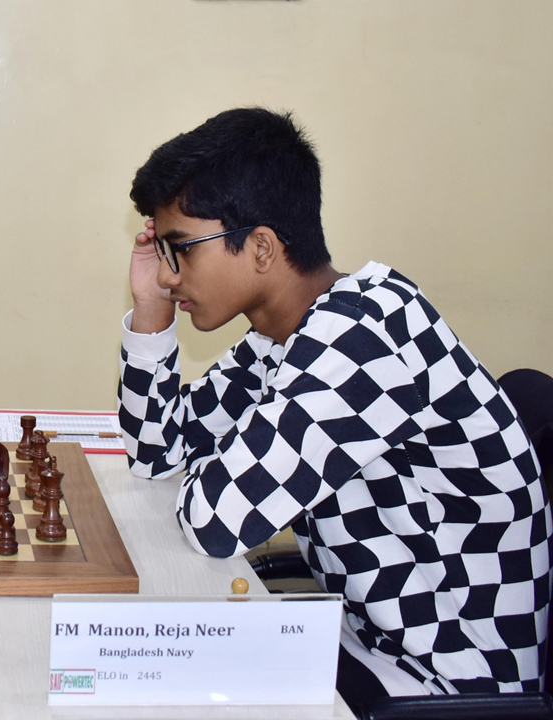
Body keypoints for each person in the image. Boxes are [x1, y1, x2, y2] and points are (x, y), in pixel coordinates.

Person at [116, 108, 550, 706]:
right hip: (360, 643)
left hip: (443, 685)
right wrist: (149, 312)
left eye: (180, 249)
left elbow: (213, 520)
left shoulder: (363, 337)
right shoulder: (286, 337)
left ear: (260, 247)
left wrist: (221, 465)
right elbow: (159, 452)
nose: (168, 277)